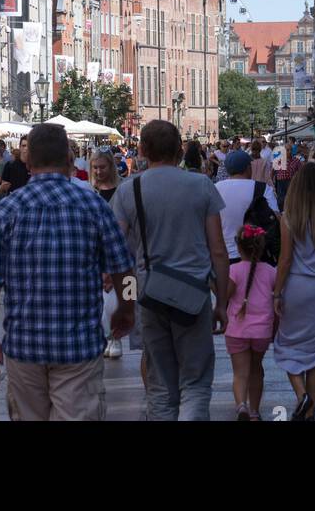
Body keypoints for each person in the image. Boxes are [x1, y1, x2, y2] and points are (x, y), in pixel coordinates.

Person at [0, 123, 135, 420]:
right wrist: (128, 307)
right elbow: (125, 269)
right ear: (70, 159)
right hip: (80, 345)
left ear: (28, 160)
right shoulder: (94, 205)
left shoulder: (5, 210)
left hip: (24, 344)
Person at [113, 119, 229, 422]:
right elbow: (218, 249)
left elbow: (117, 251)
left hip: (149, 292)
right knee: (196, 379)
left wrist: (127, 297)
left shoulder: (129, 189)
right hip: (194, 292)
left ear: (142, 149)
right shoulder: (201, 185)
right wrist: (223, 302)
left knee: (160, 383)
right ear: (180, 149)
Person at [271, 161, 315, 421]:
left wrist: (277, 293)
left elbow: (285, 260)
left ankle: (302, 396)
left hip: (297, 286)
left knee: (287, 345)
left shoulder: (289, 217)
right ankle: (311, 411)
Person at [225, 223, 277, 421]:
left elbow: (227, 295)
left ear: (238, 247)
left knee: (240, 373)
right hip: (261, 331)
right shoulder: (270, 271)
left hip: (236, 330)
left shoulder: (234, 270)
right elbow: (277, 293)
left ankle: (241, 406)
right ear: (262, 247)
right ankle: (254, 412)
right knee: (257, 369)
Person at [215, 151, 279, 263]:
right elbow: (276, 217)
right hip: (256, 254)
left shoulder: (215, 188)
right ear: (248, 168)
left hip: (224, 254)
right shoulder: (262, 188)